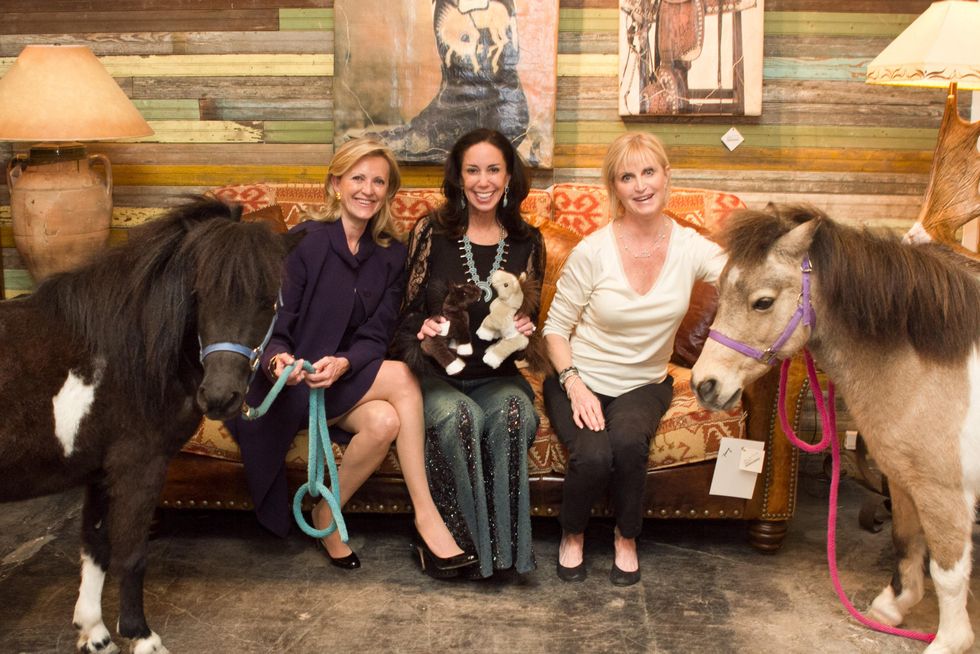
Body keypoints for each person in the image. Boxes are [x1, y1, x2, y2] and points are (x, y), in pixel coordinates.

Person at [227, 137, 476, 578]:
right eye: (357, 178)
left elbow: (376, 333)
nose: (368, 189)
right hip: (293, 386)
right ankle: (427, 515)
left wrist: (343, 363)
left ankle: (326, 515)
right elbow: (273, 328)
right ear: (336, 184)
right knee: (401, 377)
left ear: (388, 192)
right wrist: (278, 362)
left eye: (378, 181)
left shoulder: (392, 255)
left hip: (341, 380)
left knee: (384, 422)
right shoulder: (304, 243)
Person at [541, 131, 726, 586]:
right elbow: (555, 329)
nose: (641, 185)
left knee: (626, 444)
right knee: (593, 455)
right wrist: (574, 382)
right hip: (579, 375)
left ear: (666, 176)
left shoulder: (690, 246)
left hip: (644, 381)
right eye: (628, 176)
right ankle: (573, 534)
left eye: (649, 172)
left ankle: (627, 537)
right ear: (615, 187)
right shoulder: (593, 250)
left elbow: (744, 275)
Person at [393, 128, 545, 579]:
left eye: (493, 170)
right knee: (461, 416)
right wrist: (418, 327)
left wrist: (525, 327)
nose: (483, 181)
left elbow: (527, 318)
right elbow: (401, 313)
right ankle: (450, 543)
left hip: (497, 376)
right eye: (472, 170)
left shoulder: (527, 240)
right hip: (438, 376)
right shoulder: (430, 232)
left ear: (508, 176)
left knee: (515, 411)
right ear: (458, 179)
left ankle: (505, 557)